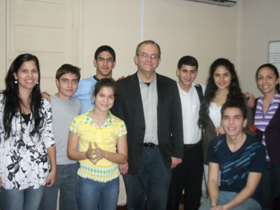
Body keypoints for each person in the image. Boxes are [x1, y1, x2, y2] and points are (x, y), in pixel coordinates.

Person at [111, 40, 184, 210]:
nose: (149, 59)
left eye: (153, 56)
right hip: (132, 155)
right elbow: (116, 124)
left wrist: (177, 152)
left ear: (159, 60)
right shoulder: (122, 87)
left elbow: (177, 120)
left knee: (158, 203)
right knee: (134, 203)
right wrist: (120, 156)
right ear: (136, 58)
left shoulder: (170, 85)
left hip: (161, 156)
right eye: (144, 55)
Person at [0, 54, 56, 210]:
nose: (30, 75)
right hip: (10, 171)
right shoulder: (2, 102)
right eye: (25, 71)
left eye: (34, 71)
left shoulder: (44, 103)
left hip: (38, 170)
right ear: (15, 74)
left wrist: (53, 168)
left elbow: (48, 137)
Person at [67, 78, 127, 210]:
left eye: (110, 97)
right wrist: (86, 154)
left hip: (112, 182)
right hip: (87, 181)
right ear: (94, 96)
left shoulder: (119, 124)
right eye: (101, 95)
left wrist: (104, 153)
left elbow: (123, 157)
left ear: (114, 99)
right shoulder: (78, 121)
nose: (105, 101)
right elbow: (71, 152)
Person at [199, 100, 266, 210]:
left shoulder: (257, 148)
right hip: (222, 194)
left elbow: (250, 188)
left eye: (236, 118)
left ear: (244, 122)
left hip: (249, 198)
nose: (231, 122)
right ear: (222, 121)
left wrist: (225, 208)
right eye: (226, 118)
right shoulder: (215, 144)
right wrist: (215, 205)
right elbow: (213, 180)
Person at [198, 58, 255, 185]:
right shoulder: (206, 97)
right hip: (210, 155)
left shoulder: (241, 99)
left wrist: (230, 132)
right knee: (212, 193)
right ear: (212, 77)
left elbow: (251, 130)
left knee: (231, 194)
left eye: (226, 75)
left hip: (233, 155)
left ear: (232, 76)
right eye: (217, 75)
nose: (221, 79)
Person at [39, 64, 82, 210]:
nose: (70, 85)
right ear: (57, 82)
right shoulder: (46, 102)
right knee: (46, 206)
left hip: (73, 165)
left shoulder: (78, 104)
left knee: (71, 206)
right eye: (65, 80)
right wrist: (41, 93)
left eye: (74, 81)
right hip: (51, 165)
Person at [167, 56, 204, 210]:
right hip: (176, 151)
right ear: (178, 71)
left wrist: (248, 97)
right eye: (184, 71)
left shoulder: (202, 90)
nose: (188, 75)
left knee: (194, 194)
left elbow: (224, 94)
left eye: (192, 71)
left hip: (196, 151)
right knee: (173, 194)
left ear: (196, 73)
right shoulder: (169, 92)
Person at [42, 45, 116, 114]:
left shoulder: (117, 86)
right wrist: (46, 96)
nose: (105, 64)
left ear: (114, 64)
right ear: (95, 62)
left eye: (109, 60)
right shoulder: (81, 84)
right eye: (101, 59)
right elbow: (61, 98)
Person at [253, 63, 280, 210]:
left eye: (269, 77)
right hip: (261, 163)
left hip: (278, 163)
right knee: (265, 201)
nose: (265, 81)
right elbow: (251, 130)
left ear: (277, 79)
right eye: (261, 78)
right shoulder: (254, 103)